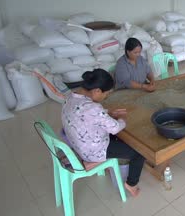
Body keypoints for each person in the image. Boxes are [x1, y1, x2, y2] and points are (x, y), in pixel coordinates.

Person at [62, 69, 145, 197]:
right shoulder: (93, 108)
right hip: (92, 149)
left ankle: (95, 161)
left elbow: (86, 114)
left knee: (120, 138)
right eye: (106, 94)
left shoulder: (70, 96)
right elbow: (115, 128)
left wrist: (107, 113)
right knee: (139, 152)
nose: (105, 97)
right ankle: (131, 184)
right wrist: (123, 118)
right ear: (97, 91)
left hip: (77, 144)